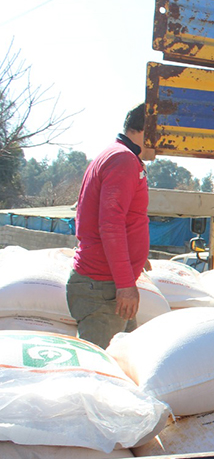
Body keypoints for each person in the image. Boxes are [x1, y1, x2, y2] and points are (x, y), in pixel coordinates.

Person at [67, 103, 155, 348]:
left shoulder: (117, 156)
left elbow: (115, 218)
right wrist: (126, 285)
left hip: (105, 285)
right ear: (147, 131)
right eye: (162, 136)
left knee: (124, 360)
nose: (164, 145)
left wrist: (136, 256)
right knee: (101, 376)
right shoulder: (123, 160)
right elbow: (110, 225)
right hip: (103, 288)